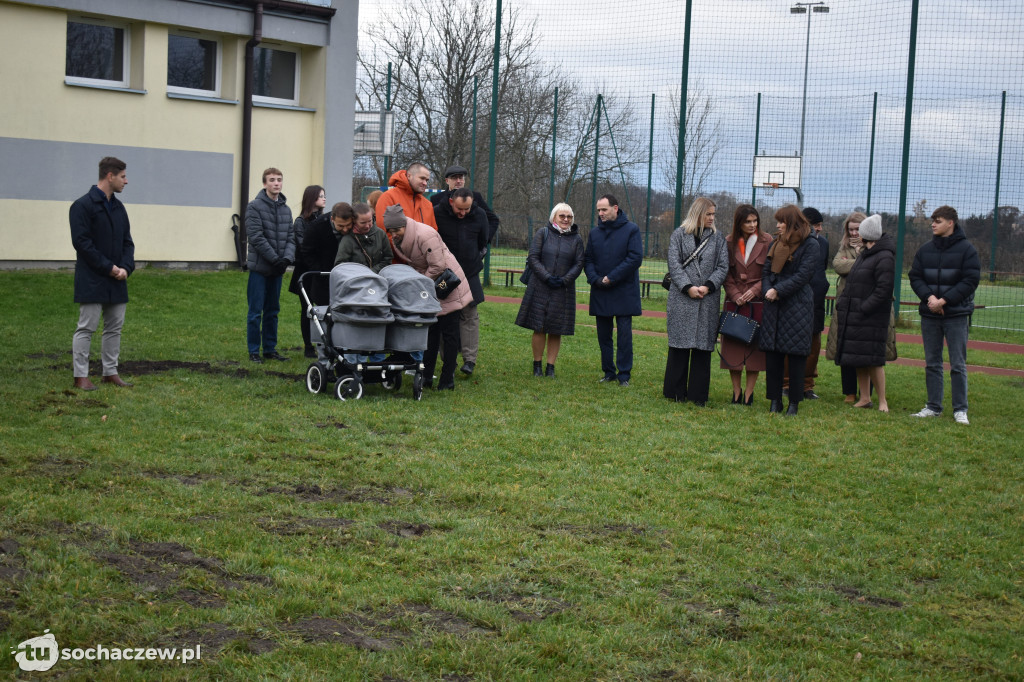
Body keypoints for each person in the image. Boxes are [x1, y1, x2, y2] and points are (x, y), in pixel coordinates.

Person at [381, 205, 472, 391]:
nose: (393, 234)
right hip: (431, 287)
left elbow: (438, 266)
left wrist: (419, 285)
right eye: (390, 231)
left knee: (450, 334)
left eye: (396, 230)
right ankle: (427, 375)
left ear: (404, 224)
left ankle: (447, 379)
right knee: (430, 334)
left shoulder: (425, 235)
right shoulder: (402, 238)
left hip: (447, 285)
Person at [908, 205, 981, 425]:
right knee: (932, 362)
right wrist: (930, 298)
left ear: (951, 223)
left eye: (937, 221)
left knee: (958, 364)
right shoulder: (925, 249)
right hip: (930, 314)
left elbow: (970, 280)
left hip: (956, 315)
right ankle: (933, 406)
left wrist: (945, 300)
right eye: (932, 220)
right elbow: (915, 276)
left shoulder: (968, 250)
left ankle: (960, 409)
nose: (933, 224)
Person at [70, 156, 135, 390]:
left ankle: (110, 372)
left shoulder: (119, 208)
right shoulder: (82, 206)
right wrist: (110, 268)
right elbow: (82, 244)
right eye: (123, 176)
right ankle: (81, 376)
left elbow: (128, 243)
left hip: (118, 279)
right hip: (92, 279)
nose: (126, 181)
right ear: (110, 176)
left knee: (114, 328)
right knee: (86, 327)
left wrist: (126, 268)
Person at [663, 197, 729, 406]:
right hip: (682, 297)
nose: (712, 218)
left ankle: (698, 394)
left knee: (702, 349)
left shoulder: (718, 239)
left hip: (706, 299)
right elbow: (674, 265)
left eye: (713, 214)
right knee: (679, 346)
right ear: (697, 214)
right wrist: (687, 287)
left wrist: (708, 285)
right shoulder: (679, 235)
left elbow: (723, 267)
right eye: (708, 214)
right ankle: (674, 392)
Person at [759, 205, 819, 416]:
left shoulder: (810, 244)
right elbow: (766, 271)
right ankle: (774, 401)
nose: (777, 226)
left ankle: (794, 403)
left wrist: (778, 290)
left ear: (792, 222)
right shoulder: (776, 243)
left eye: (781, 222)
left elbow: (803, 276)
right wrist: (768, 290)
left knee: (795, 357)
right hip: (774, 305)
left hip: (797, 305)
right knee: (773, 356)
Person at [833, 214, 896, 413]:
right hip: (856, 315)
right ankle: (865, 398)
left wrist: (864, 308)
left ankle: (882, 401)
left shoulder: (884, 256)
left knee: (874, 361)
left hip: (872, 317)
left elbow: (883, 290)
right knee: (858, 358)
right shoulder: (866, 254)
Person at [514, 203, 585, 378]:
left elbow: (579, 263)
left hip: (563, 289)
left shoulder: (576, 239)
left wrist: (564, 280)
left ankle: (550, 367)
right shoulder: (542, 233)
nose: (566, 220)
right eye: (562, 216)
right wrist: (546, 277)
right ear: (554, 217)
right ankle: (537, 365)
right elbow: (533, 257)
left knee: (556, 328)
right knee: (539, 327)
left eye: (569, 217)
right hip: (540, 286)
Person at [584, 194, 644, 386]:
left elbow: (634, 258)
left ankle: (624, 375)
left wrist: (611, 277)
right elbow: (588, 260)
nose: (600, 213)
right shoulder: (594, 233)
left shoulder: (631, 230)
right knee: (604, 336)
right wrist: (595, 279)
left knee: (624, 336)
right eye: (599, 210)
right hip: (601, 290)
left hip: (624, 291)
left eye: (604, 209)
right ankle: (608, 372)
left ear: (615, 208)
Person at [720, 204, 772, 405]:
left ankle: (749, 394)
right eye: (747, 222)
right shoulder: (729, 242)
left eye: (755, 221)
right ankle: (736, 392)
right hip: (735, 303)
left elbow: (770, 272)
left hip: (757, 303)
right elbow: (725, 273)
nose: (752, 225)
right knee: (733, 348)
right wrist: (734, 294)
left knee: (755, 351)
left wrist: (755, 290)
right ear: (739, 223)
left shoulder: (767, 240)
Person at [434, 188, 489, 376]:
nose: (463, 213)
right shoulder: (437, 212)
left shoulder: (480, 214)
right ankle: (448, 359)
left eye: (467, 209)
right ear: (451, 202)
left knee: (470, 315)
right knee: (444, 315)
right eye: (459, 209)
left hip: (470, 273)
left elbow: (484, 240)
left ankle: (469, 360)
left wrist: (474, 259)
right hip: (445, 275)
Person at [245, 167, 294, 363]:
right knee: (256, 311)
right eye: (272, 180)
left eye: (279, 179)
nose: (276, 183)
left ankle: (270, 349)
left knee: (273, 311)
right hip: (260, 268)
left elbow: (290, 237)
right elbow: (256, 237)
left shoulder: (285, 209)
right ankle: (254, 350)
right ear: (264, 183)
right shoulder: (254, 207)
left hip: (278, 269)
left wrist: (287, 259)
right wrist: (274, 258)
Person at [784, 206, 830, 400]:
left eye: (820, 225)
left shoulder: (824, 244)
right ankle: (786, 384)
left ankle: (807, 385)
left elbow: (821, 271)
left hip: (816, 304)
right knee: (790, 344)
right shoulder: (791, 243)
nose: (819, 229)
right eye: (816, 225)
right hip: (796, 303)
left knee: (813, 345)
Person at [287, 185, 326, 358]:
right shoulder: (301, 222)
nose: (324, 199)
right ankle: (308, 346)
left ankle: (322, 341)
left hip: (320, 270)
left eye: (324, 196)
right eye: (321, 196)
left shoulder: (324, 220)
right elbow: (304, 247)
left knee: (322, 308)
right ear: (312, 199)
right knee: (307, 309)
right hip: (306, 270)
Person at [376, 162, 437, 264]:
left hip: (422, 266)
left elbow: (433, 234)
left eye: (427, 180)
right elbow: (385, 233)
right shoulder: (388, 197)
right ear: (409, 176)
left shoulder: (427, 204)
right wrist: (409, 257)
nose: (425, 183)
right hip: (395, 265)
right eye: (422, 178)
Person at [430, 165, 500, 244]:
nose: (458, 181)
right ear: (447, 181)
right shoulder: (436, 199)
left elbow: (493, 219)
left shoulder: (475, 197)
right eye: (454, 178)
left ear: (464, 180)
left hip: (469, 251)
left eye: (461, 178)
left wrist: (483, 241)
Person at [302, 202, 352, 307]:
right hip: (324, 277)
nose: (345, 229)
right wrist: (321, 270)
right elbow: (307, 252)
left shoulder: (355, 226)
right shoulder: (316, 227)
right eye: (341, 226)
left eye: (348, 225)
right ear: (332, 219)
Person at [334, 202, 393, 272]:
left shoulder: (380, 234)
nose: (367, 226)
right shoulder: (348, 239)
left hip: (379, 278)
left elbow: (388, 258)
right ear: (354, 220)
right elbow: (340, 265)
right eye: (363, 223)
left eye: (370, 221)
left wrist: (372, 272)